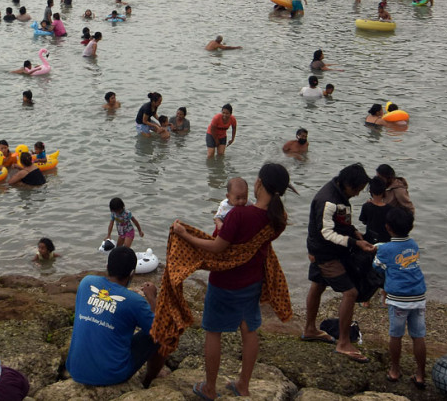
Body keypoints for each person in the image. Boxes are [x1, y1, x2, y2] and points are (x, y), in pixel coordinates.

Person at [169, 163, 292, 399]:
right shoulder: (278, 218)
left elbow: (217, 248)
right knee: (249, 330)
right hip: (253, 282)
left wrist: (185, 235)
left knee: (213, 332)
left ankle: (210, 388)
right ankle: (243, 385)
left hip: (224, 283)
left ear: (259, 184)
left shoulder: (238, 214)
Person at [65, 245, 165, 387]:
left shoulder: (86, 282)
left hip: (75, 369)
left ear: (107, 266)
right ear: (132, 273)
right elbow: (159, 331)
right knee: (164, 333)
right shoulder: (134, 301)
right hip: (111, 375)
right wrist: (152, 298)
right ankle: (148, 381)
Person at [303, 163, 374, 361]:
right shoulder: (328, 201)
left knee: (317, 285)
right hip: (326, 253)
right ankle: (343, 343)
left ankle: (309, 329)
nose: (358, 194)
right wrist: (354, 243)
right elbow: (326, 233)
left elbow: (341, 222)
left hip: (321, 250)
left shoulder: (340, 195)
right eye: (357, 190)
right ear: (348, 185)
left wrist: (355, 233)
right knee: (350, 293)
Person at [374, 208, 427, 388]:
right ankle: (420, 374)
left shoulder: (386, 249)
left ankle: (395, 370)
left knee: (396, 335)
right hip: (418, 294)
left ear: (388, 227)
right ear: (410, 227)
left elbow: (377, 267)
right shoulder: (413, 245)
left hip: (398, 297)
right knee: (418, 336)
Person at [359, 176, 391, 245]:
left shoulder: (366, 206)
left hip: (370, 241)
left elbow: (364, 221)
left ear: (371, 191)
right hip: (386, 241)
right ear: (384, 191)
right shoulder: (390, 208)